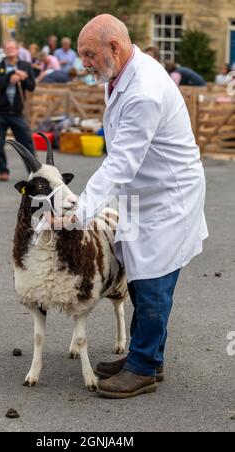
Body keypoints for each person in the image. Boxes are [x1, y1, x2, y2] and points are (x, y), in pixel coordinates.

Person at [56, 14, 208, 399]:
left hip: (168, 195)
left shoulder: (143, 89)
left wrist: (79, 211)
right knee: (138, 273)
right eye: (81, 55)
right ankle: (147, 356)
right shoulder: (121, 74)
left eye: (89, 54)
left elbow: (121, 162)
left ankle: (143, 367)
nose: (84, 63)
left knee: (155, 278)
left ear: (114, 48)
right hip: (144, 191)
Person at [0, 40, 35, 181]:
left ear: (17, 50)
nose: (10, 50)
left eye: (12, 48)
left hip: (16, 112)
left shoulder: (25, 66)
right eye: (7, 48)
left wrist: (23, 78)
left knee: (26, 142)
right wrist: (12, 75)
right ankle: (3, 170)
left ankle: (33, 171)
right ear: (4, 50)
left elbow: (31, 86)